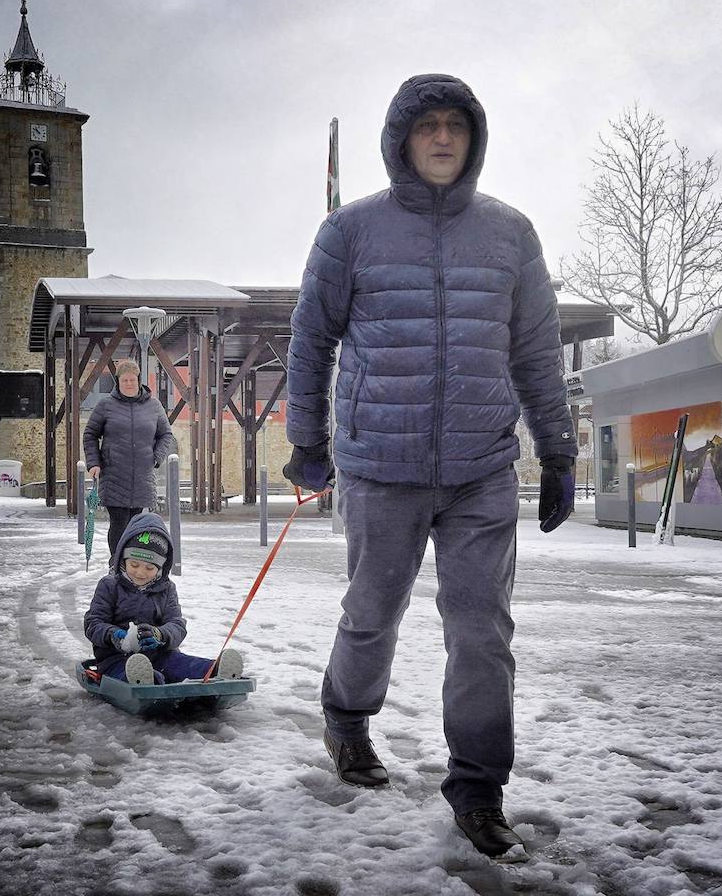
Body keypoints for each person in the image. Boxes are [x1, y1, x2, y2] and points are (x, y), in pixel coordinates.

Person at [283, 73, 577, 862]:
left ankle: (479, 788)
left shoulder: (511, 233)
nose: (443, 137)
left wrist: (557, 448)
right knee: (373, 608)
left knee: (482, 629)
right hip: (382, 461)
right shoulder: (351, 232)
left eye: (457, 124)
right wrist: (306, 439)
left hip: (481, 465)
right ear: (402, 140)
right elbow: (311, 337)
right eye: (428, 126)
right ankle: (346, 717)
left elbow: (537, 352)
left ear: (474, 137)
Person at [83, 512, 243, 685]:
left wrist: (160, 635)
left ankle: (216, 671)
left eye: (149, 568)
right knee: (132, 673)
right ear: (123, 558)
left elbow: (177, 624)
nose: (140, 573)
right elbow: (93, 623)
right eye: (134, 565)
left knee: (182, 664)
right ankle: (149, 681)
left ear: (160, 567)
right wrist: (113, 635)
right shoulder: (109, 585)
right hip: (115, 658)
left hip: (160, 655)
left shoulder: (166, 589)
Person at [83, 359, 175, 563]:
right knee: (118, 522)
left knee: (137, 523)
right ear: (118, 381)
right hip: (114, 474)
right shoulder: (106, 405)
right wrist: (94, 462)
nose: (129, 384)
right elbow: (90, 434)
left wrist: (156, 458)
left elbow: (165, 434)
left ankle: (132, 562)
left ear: (138, 380)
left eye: (132, 379)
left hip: (142, 476)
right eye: (124, 380)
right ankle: (116, 563)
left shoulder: (153, 405)